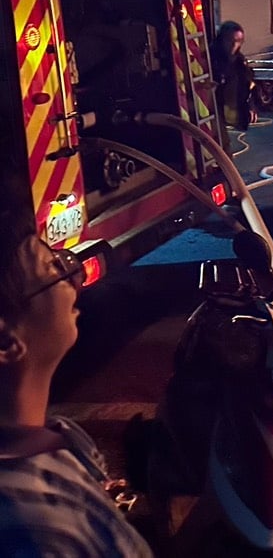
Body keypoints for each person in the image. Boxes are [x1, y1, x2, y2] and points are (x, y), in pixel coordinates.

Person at [0, 199, 153, 555]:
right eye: (54, 269)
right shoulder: (37, 531)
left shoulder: (59, 434)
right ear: (6, 341)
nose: (76, 278)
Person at [210, 21, 255, 131]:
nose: (234, 45)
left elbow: (247, 87)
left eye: (239, 41)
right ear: (222, 40)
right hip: (213, 113)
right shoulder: (211, 59)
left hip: (230, 115)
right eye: (230, 40)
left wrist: (250, 107)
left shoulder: (240, 62)